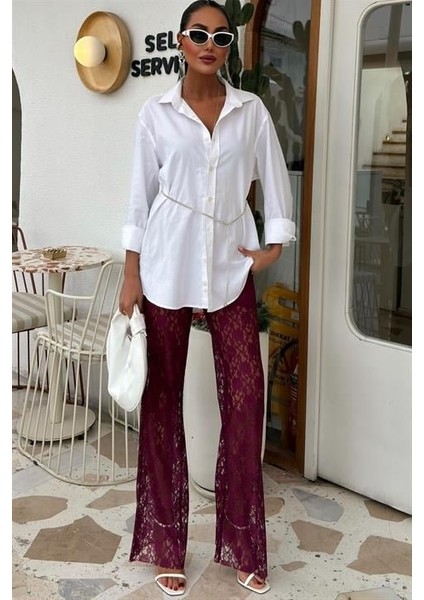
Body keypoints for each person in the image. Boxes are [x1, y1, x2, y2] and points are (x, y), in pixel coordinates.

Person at [119, 0, 296, 595]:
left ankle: (243, 543)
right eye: (199, 34)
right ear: (181, 41)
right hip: (165, 268)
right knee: (162, 402)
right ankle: (166, 543)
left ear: (228, 47)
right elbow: (139, 198)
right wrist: (131, 273)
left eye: (222, 37)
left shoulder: (251, 112)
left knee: (245, 402)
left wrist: (273, 245)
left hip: (229, 271)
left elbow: (274, 177)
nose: (210, 44)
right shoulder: (155, 114)